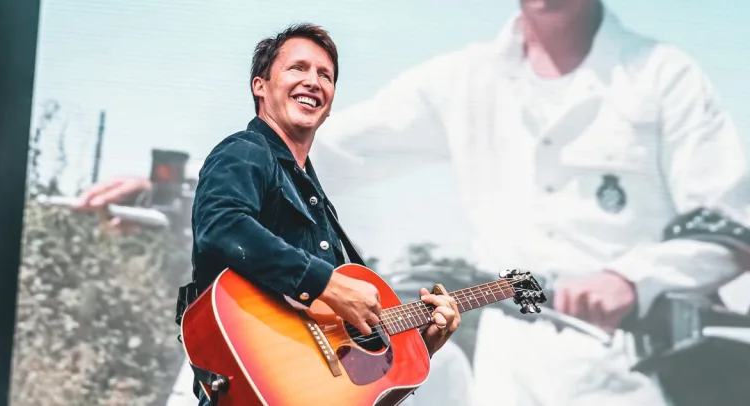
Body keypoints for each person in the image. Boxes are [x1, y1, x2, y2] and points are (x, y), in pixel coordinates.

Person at [303, 1, 750, 405]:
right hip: (508, 373)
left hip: (631, 373)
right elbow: (323, 152)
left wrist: (633, 279)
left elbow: (733, 222)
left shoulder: (664, 75)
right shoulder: (463, 79)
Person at [189, 23, 468, 405]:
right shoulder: (246, 150)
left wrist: (421, 346)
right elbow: (221, 225)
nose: (313, 81)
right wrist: (329, 285)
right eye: (298, 68)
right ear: (260, 86)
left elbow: (351, 379)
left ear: (331, 102)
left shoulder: (314, 196)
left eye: (325, 75)